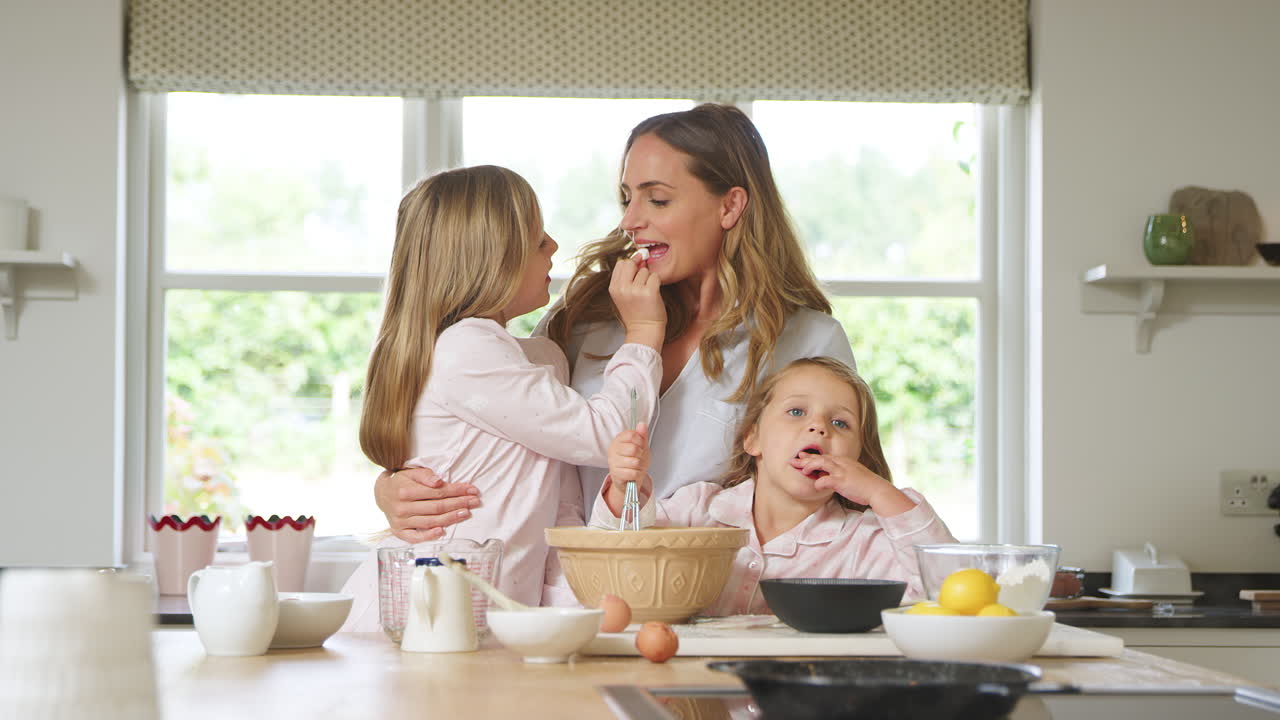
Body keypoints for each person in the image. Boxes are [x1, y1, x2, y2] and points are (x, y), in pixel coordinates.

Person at [374, 103, 859, 548]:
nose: (629, 220)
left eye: (658, 201)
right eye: (627, 197)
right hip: (574, 607)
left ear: (729, 207)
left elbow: (844, 500)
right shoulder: (585, 319)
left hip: (716, 609)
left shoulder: (808, 342)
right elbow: (493, 429)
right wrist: (393, 484)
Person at [339, 165, 666, 631]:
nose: (553, 246)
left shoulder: (531, 356)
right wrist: (645, 333)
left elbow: (558, 512)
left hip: (470, 623)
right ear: (490, 261)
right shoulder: (468, 347)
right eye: (537, 241)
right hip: (420, 617)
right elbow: (608, 436)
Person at [598, 356, 957, 614]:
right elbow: (616, 561)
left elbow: (951, 591)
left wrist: (879, 493)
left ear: (859, 461)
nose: (819, 427)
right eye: (797, 412)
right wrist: (623, 488)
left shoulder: (863, 543)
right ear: (753, 439)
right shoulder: (698, 509)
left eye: (840, 423)